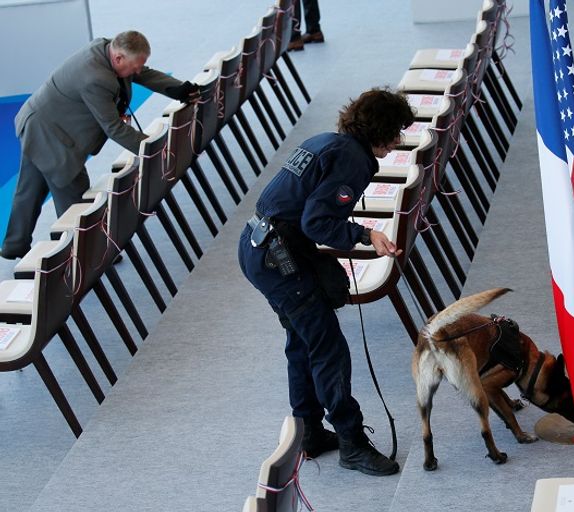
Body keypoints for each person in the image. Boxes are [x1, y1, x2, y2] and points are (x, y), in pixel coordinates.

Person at [238, 88, 415, 476]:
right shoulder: (351, 159)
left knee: (303, 342)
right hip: (279, 258)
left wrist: (358, 233)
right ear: (381, 130)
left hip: (260, 246)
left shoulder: (326, 142)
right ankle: (351, 442)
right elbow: (316, 223)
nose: (398, 141)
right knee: (329, 349)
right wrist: (364, 235)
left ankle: (310, 433)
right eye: (396, 131)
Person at [0, 30, 199, 260]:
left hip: (44, 122)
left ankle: (14, 245)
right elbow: (113, 128)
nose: (137, 71)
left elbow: (144, 74)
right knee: (76, 196)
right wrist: (154, 150)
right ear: (119, 59)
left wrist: (181, 89)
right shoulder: (95, 77)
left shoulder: (110, 51)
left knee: (30, 189)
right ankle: (91, 256)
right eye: (134, 65)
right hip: (50, 134)